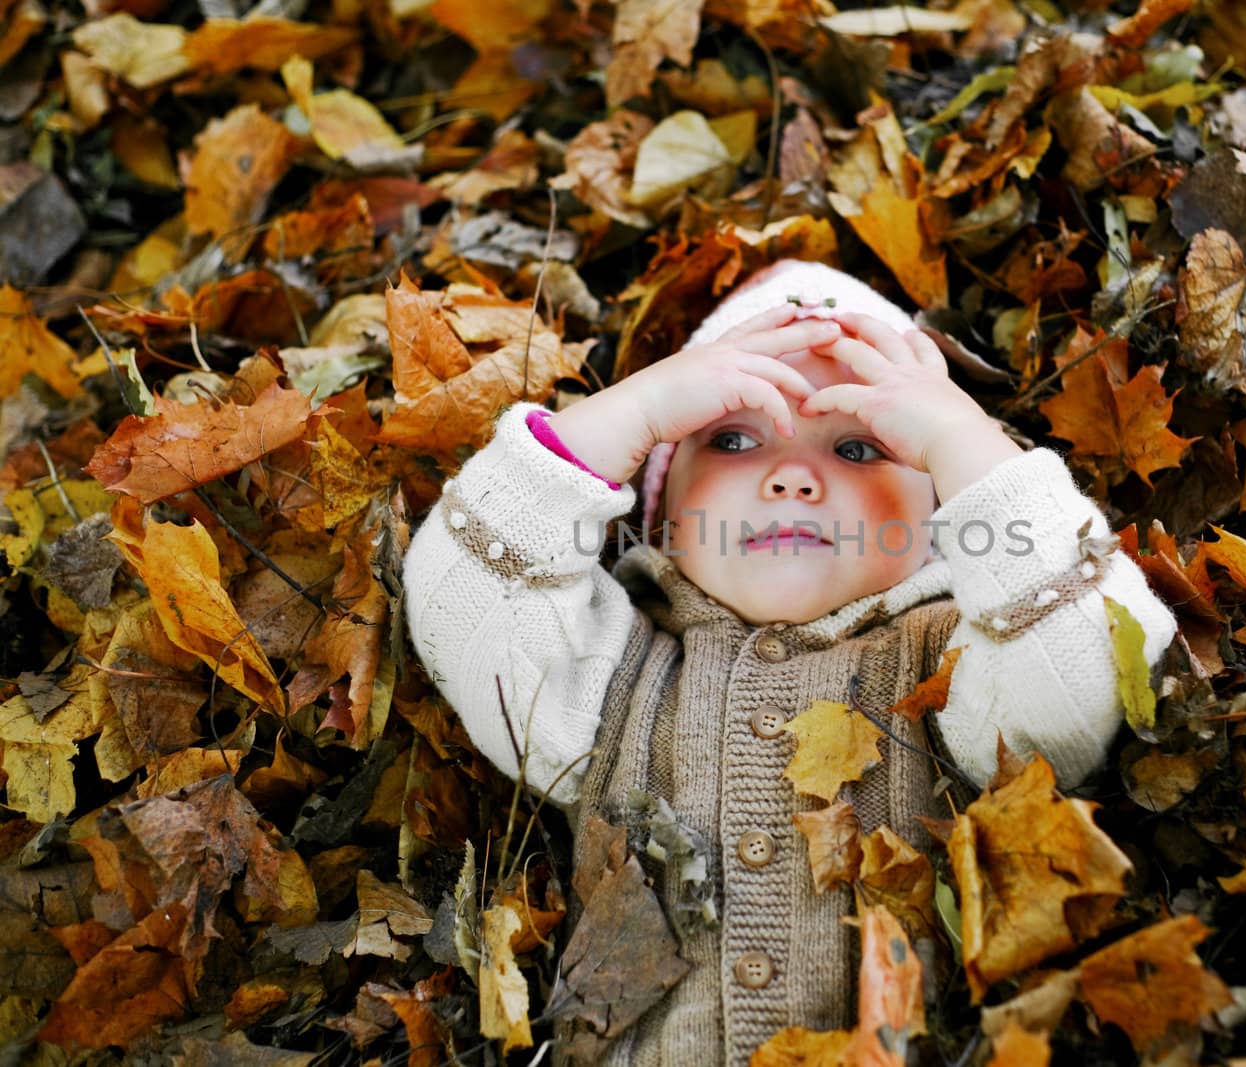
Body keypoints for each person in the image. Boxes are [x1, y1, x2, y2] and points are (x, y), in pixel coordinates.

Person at [403, 259, 1178, 1065]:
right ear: (661, 510)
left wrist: (964, 442)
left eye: (858, 446)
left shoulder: (955, 664)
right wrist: (628, 413)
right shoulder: (611, 670)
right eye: (733, 438)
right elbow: (467, 608)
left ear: (945, 513)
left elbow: (1087, 682)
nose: (794, 476)